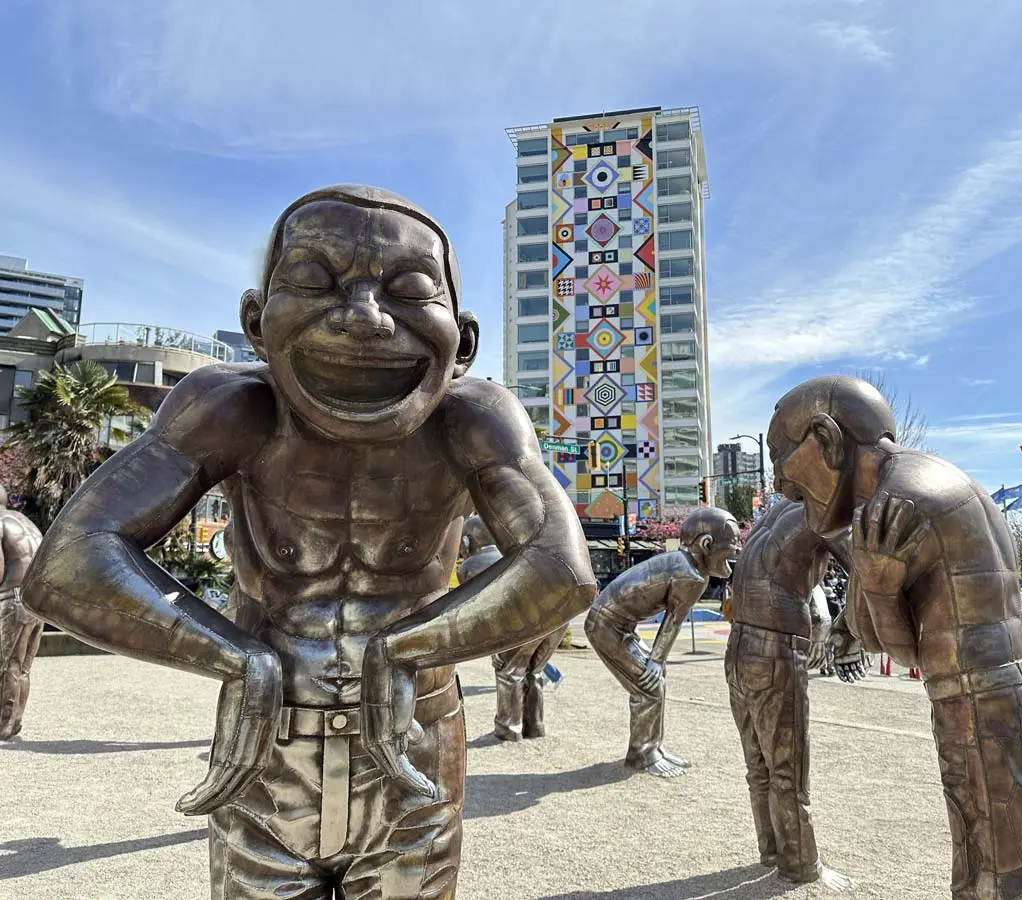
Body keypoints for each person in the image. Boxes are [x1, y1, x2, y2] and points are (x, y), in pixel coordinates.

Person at [22, 185, 597, 900]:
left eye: (409, 289)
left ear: (465, 341)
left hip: (415, 737)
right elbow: (70, 561)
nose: (361, 318)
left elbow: (562, 568)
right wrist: (240, 660)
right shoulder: (232, 409)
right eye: (312, 283)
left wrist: (403, 648)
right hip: (265, 748)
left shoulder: (472, 421)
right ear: (256, 325)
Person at [768, 375, 1022, 900]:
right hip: (1000, 694)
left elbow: (893, 646)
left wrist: (874, 585)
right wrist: (871, 595)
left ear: (827, 441)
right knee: (994, 867)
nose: (780, 486)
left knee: (990, 878)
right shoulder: (935, 476)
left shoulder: (896, 505)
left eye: (780, 457)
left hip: (979, 701)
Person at [726, 498, 852, 890]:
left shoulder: (770, 516)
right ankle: (800, 864)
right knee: (788, 768)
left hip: (738, 648)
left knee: (759, 766)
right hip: (776, 647)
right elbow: (870, 574)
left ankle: (772, 850)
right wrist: (850, 631)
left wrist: (828, 620)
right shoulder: (825, 512)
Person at [585, 507, 741, 777]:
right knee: (649, 684)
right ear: (706, 545)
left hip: (617, 625)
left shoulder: (684, 565)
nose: (735, 554)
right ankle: (642, 755)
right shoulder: (690, 575)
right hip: (606, 626)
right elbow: (673, 622)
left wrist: (658, 662)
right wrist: (655, 661)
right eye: (730, 548)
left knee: (655, 679)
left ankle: (652, 748)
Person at [457, 515, 567, 742]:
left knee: (509, 673)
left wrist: (495, 647)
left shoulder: (471, 567)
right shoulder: (513, 557)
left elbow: (480, 611)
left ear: (468, 541)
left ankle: (509, 728)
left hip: (523, 622)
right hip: (556, 618)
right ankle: (534, 726)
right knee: (533, 673)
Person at [0, 486, 44, 740]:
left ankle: (4, 725)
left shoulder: (1, 523)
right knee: (22, 667)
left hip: (11, 601)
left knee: (6, 666)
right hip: (34, 602)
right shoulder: (28, 523)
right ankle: (14, 721)